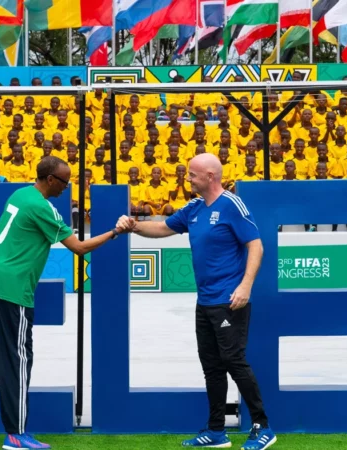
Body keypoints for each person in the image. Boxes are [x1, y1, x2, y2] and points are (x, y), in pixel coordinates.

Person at [0, 156, 131, 450]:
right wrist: (116, 232)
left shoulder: (19, 194)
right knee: (18, 361)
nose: (66, 187)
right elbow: (80, 248)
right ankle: (16, 434)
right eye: (64, 181)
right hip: (14, 291)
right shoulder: (43, 208)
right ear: (49, 179)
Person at [116, 153, 276, 450]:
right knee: (212, 366)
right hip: (205, 302)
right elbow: (164, 228)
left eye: (192, 174)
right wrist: (134, 227)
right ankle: (216, 431)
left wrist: (245, 286)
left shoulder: (232, 205)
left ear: (210, 176)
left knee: (234, 361)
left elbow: (256, 245)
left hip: (230, 300)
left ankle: (262, 426)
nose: (186, 178)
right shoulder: (194, 208)